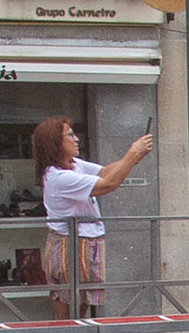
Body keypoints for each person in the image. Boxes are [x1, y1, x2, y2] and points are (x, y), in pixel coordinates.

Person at [36, 116, 159, 321]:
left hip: (85, 242)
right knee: (67, 318)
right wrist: (132, 153)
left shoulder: (73, 165)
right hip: (71, 245)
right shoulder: (58, 177)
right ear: (55, 142)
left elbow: (105, 172)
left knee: (80, 315)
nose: (76, 139)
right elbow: (108, 184)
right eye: (69, 135)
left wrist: (133, 157)